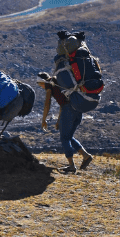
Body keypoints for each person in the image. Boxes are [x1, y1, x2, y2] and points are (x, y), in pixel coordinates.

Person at [43, 30, 98, 173]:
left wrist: (46, 119)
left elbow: (49, 104)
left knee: (64, 138)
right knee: (69, 136)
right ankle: (86, 156)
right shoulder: (78, 62)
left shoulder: (53, 81)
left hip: (70, 107)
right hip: (80, 101)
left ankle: (72, 166)